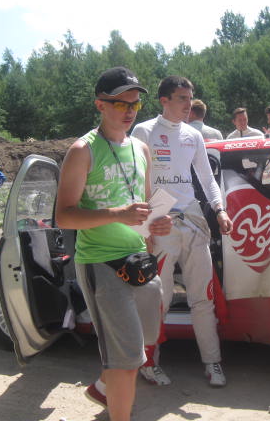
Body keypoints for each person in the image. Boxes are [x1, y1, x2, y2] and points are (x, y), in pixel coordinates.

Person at [54, 66, 171, 421]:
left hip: (139, 258)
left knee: (145, 340)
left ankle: (104, 388)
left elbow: (146, 205)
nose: (129, 111)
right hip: (100, 263)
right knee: (128, 360)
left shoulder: (142, 149)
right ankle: (116, 397)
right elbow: (64, 217)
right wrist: (116, 214)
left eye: (134, 103)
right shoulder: (82, 151)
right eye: (120, 103)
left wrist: (156, 224)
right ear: (100, 105)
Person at [132, 75, 233, 388]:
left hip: (192, 219)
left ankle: (212, 363)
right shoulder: (143, 131)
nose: (189, 105)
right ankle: (149, 363)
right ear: (164, 100)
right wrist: (144, 230)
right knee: (157, 298)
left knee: (202, 297)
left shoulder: (193, 135)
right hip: (159, 219)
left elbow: (207, 178)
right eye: (182, 98)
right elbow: (134, 183)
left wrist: (220, 210)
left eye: (191, 98)